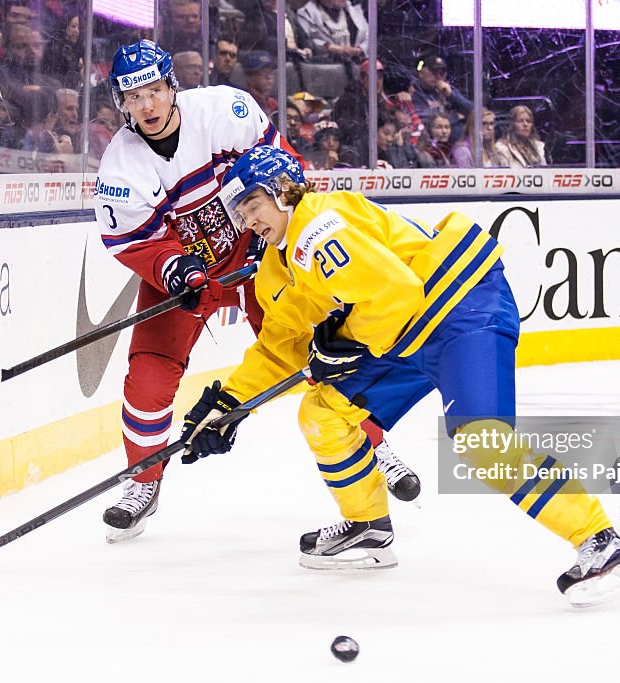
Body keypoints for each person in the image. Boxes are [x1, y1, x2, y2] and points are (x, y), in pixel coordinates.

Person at [180, 146, 620, 606]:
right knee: (323, 412)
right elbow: (281, 347)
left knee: (483, 441)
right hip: (404, 336)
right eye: (240, 212)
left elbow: (393, 294)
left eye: (254, 205)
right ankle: (368, 529)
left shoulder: (319, 226)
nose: (249, 220)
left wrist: (339, 342)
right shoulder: (277, 269)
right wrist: (228, 404)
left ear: (283, 192)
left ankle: (600, 543)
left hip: (460, 307)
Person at [93, 40, 417, 543]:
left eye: (155, 90)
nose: (148, 106)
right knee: (149, 373)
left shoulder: (226, 111)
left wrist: (271, 245)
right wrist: (175, 268)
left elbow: (286, 175)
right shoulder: (120, 166)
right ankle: (143, 482)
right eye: (134, 98)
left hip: (259, 253)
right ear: (121, 103)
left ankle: (371, 442)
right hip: (186, 275)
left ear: (171, 86)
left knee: (314, 354)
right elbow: (136, 241)